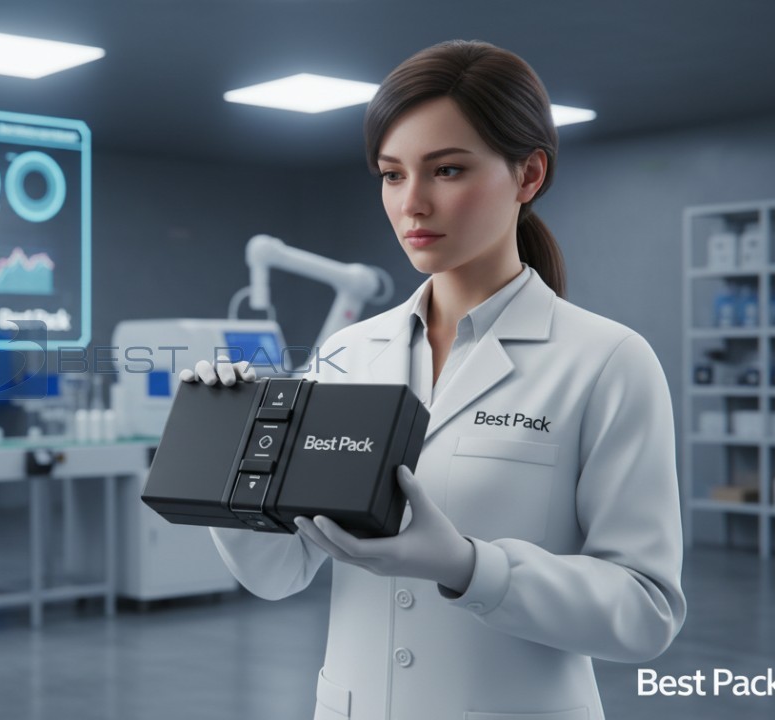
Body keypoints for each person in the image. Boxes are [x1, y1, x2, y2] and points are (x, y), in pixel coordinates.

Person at [180, 40, 685, 720]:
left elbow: (647, 611)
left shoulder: (607, 361)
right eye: (392, 175)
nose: (412, 203)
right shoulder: (347, 353)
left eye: (446, 170)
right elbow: (280, 572)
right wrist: (229, 459)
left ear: (529, 174)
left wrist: (471, 568)